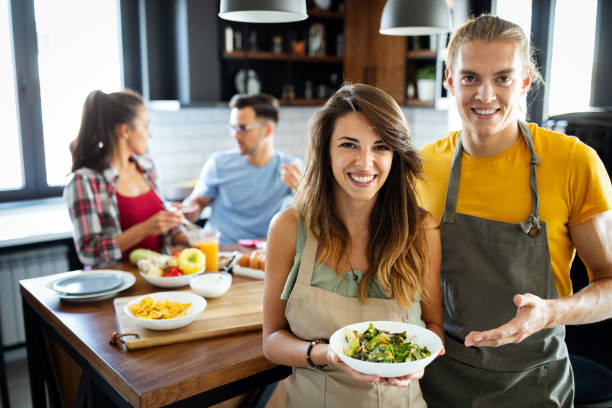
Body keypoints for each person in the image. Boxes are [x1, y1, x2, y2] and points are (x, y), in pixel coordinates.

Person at [417, 15, 612, 407]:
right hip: (438, 380)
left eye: (502, 78)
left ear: (524, 81)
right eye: (470, 77)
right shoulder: (422, 167)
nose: (485, 95)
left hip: (533, 384)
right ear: (449, 80)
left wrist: (550, 313)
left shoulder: (572, 162)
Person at [263, 83, 444, 407]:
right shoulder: (289, 228)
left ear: (395, 154)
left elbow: (433, 327)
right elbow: (272, 340)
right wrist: (327, 354)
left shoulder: (422, 229)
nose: (365, 162)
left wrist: (417, 365)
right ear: (326, 150)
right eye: (349, 144)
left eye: (381, 147)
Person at [65, 89, 189, 266]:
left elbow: (159, 221)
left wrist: (183, 234)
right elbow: (89, 252)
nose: (150, 134)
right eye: (145, 125)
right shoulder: (83, 181)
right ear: (124, 131)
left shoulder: (146, 166)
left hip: (158, 278)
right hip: (115, 286)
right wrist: (144, 229)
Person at [182, 93, 302, 245]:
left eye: (242, 128)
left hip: (261, 253)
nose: (235, 135)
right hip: (219, 252)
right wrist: (191, 208)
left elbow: (314, 217)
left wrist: (299, 188)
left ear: (267, 130)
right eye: (233, 128)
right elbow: (198, 200)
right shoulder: (218, 164)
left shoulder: (291, 168)